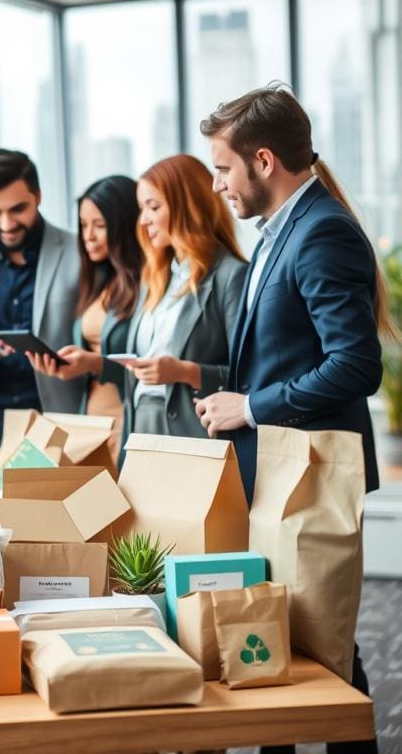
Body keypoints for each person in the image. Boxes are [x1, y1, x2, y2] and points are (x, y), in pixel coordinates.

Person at [195, 84, 387, 754]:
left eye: (223, 168)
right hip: (280, 476)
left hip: (309, 478)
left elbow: (358, 367)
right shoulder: (282, 232)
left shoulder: (322, 232)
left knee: (324, 652)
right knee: (286, 644)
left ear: (265, 161)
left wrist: (251, 406)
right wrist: (231, 397)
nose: (217, 184)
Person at [96, 154, 247, 444]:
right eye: (142, 208)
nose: (143, 220)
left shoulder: (231, 276)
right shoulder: (154, 278)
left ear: (188, 207)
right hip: (140, 426)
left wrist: (185, 372)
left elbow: (249, 379)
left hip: (192, 434)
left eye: (153, 207)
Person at [0, 148, 83, 472]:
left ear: (38, 196)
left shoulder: (78, 252)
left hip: (58, 419)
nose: (7, 223)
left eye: (18, 209)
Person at [27, 175, 143, 462]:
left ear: (125, 226)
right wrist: (71, 366)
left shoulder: (147, 285)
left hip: (129, 419)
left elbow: (150, 364)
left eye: (99, 226)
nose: (87, 235)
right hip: (92, 417)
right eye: (83, 225)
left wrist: (94, 363)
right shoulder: (100, 282)